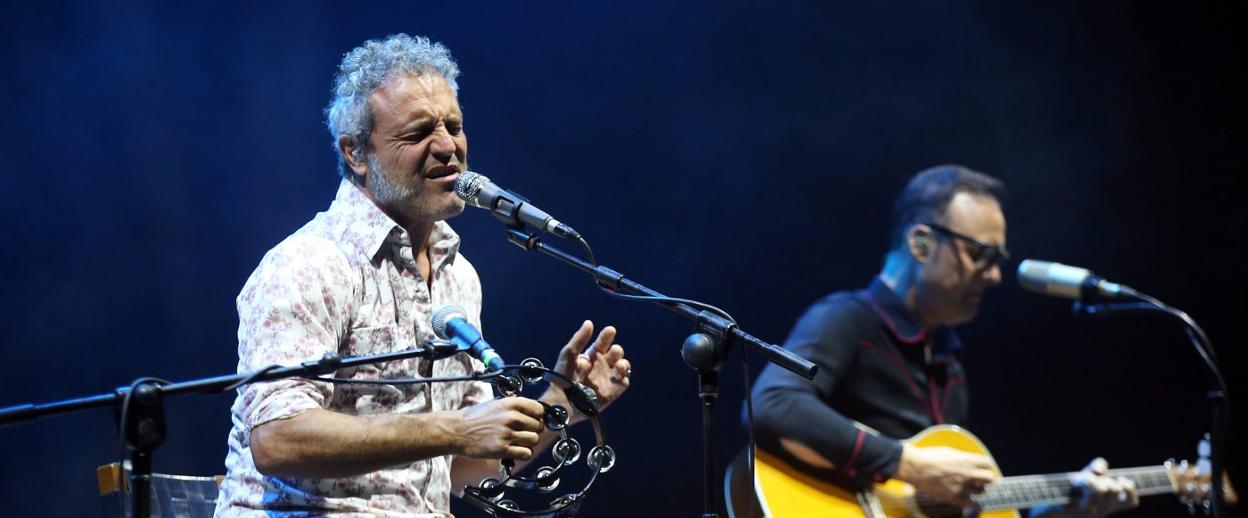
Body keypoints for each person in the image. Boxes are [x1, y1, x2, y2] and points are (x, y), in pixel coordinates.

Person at [214, 34, 631, 517]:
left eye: (453, 126)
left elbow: (468, 470)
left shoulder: (459, 277)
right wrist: (455, 428)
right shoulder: (308, 265)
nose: (447, 147)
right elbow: (277, 439)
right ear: (356, 153)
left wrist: (563, 400)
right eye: (417, 134)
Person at [748, 165, 1137, 517]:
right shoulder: (846, 319)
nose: (994, 276)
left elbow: (945, 505)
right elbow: (772, 403)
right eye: (979, 255)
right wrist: (910, 465)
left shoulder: (948, 364)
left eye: (996, 259)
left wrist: (1061, 511)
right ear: (921, 244)